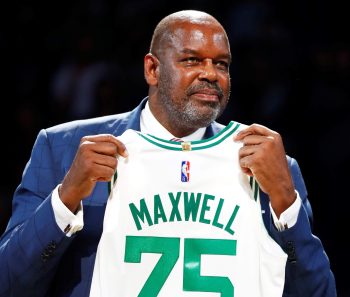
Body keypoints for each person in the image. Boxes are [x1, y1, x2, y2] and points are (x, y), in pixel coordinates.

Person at [0, 10, 336, 297]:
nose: (210, 74)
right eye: (192, 60)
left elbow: (317, 291)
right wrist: (65, 198)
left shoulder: (270, 164)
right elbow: (9, 284)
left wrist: (286, 204)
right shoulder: (63, 149)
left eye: (221, 64)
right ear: (152, 69)